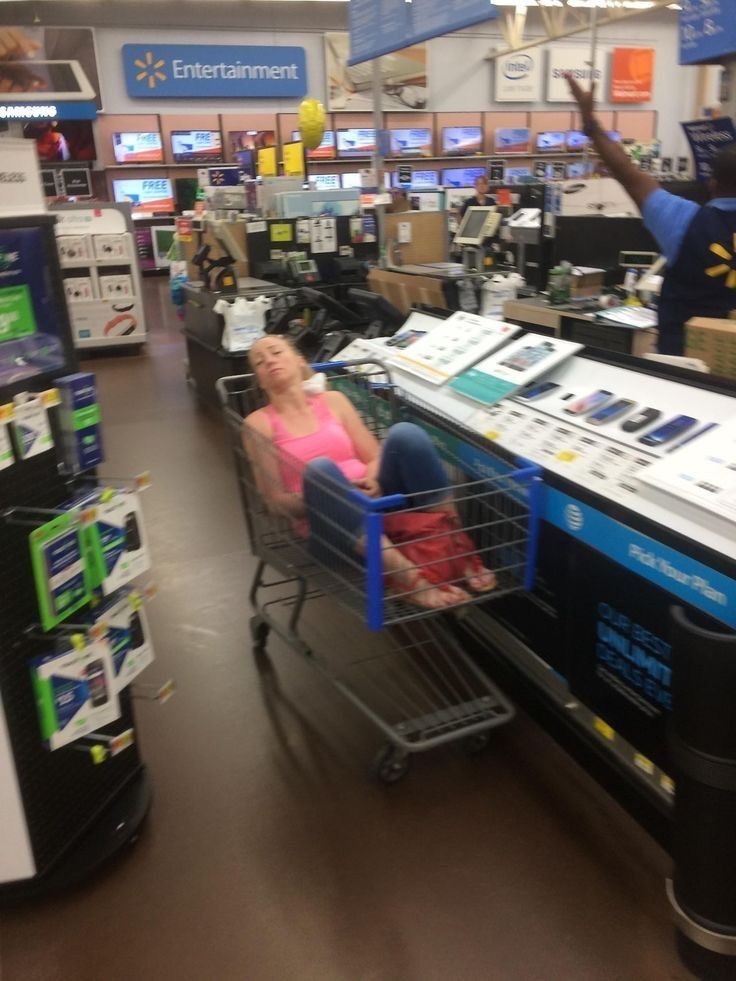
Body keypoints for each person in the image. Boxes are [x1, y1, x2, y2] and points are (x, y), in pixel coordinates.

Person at [242, 335, 496, 610]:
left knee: (406, 434)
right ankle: (411, 580)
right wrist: (334, 492)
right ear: (260, 380)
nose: (269, 360)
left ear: (300, 360)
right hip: (330, 528)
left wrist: (373, 478)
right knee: (322, 469)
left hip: (377, 503)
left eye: (276, 352)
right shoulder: (257, 424)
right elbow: (275, 502)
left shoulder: (334, 401)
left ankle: (459, 549)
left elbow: (374, 456)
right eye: (259, 361)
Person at [567, 74, 736, 356]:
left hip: (682, 367)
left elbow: (627, 173)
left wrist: (590, 124)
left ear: (712, 184)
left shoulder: (683, 221)